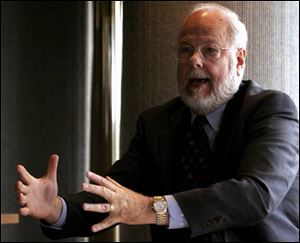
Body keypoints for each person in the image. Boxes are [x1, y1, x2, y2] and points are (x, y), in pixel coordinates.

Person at [16, 3, 299, 242]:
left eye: (209, 50)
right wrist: (56, 209)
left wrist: (153, 208)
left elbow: (257, 195)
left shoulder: (271, 109)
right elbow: (115, 196)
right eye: (185, 49)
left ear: (239, 59)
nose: (194, 61)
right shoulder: (156, 123)